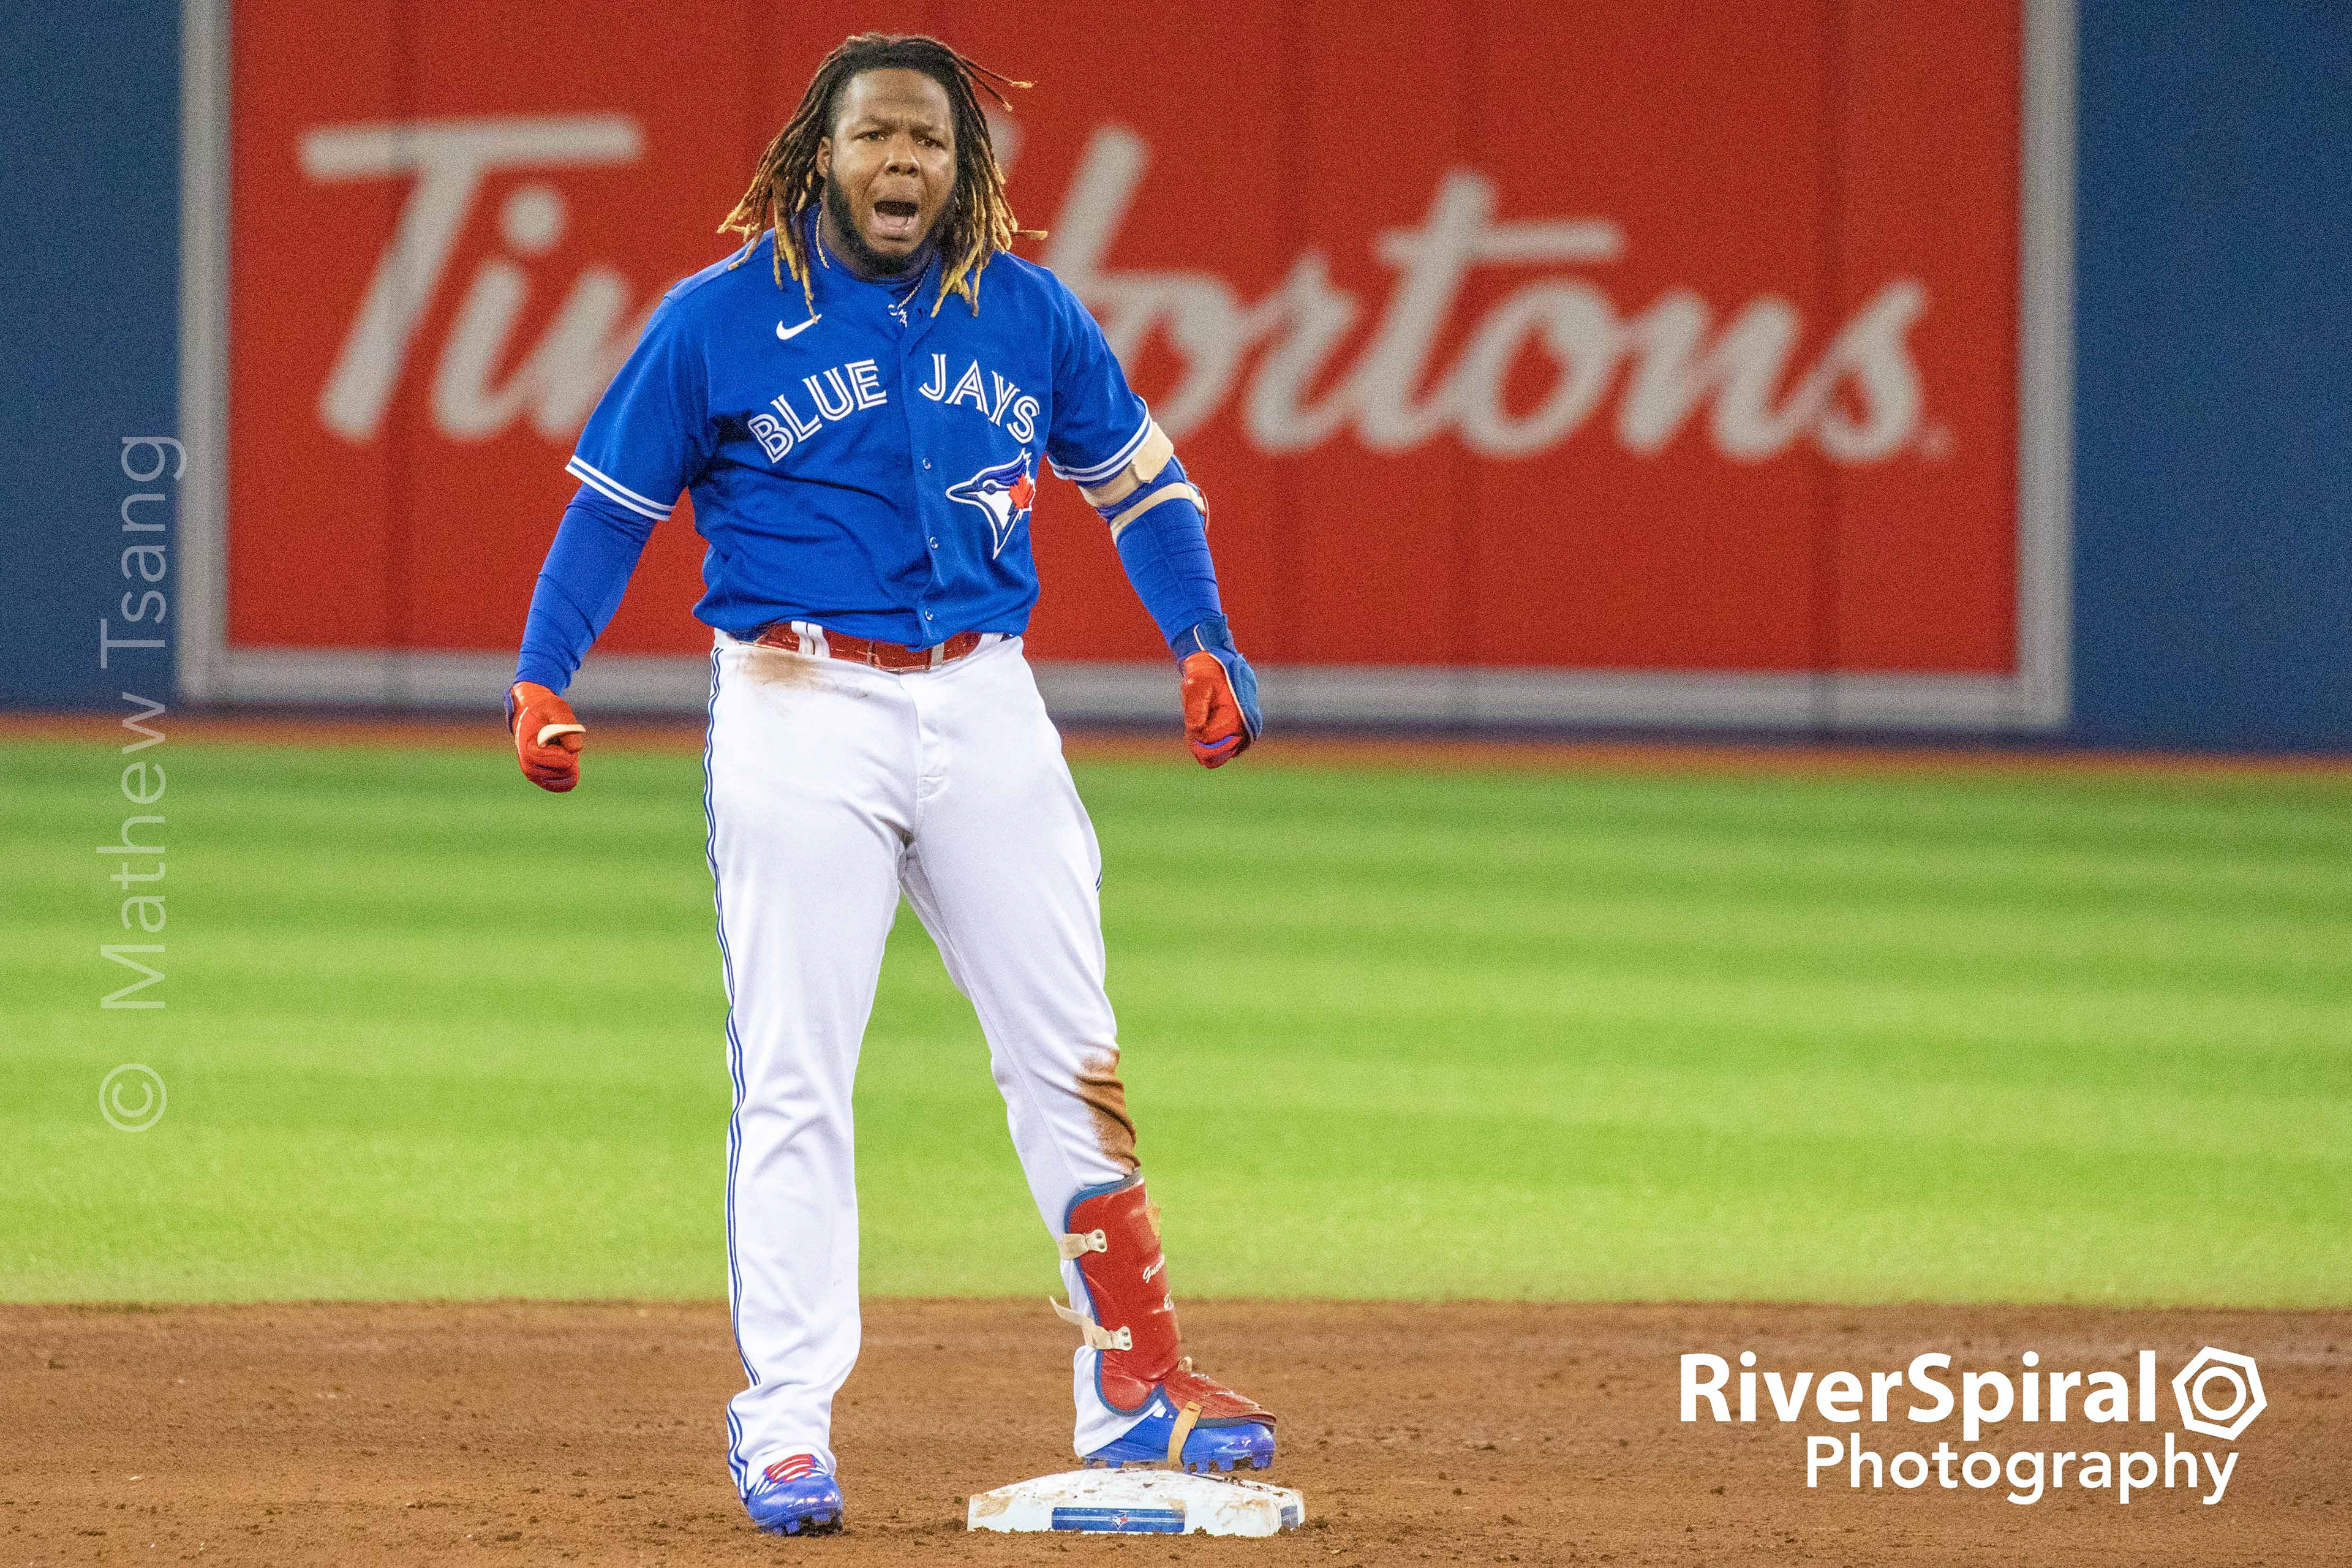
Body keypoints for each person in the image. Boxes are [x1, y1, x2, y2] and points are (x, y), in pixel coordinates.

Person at [503, 32, 1273, 1539]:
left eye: (928, 139)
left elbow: (1144, 483)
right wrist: (546, 671)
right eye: (875, 139)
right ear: (822, 154)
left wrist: (1202, 637)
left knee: (1072, 1049)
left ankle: (1136, 1384)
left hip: (988, 699)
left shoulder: (1029, 314)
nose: (902, 162)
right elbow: (612, 505)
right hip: (799, 702)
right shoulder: (717, 321)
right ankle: (785, 1423)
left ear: (963, 163)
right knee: (796, 1073)